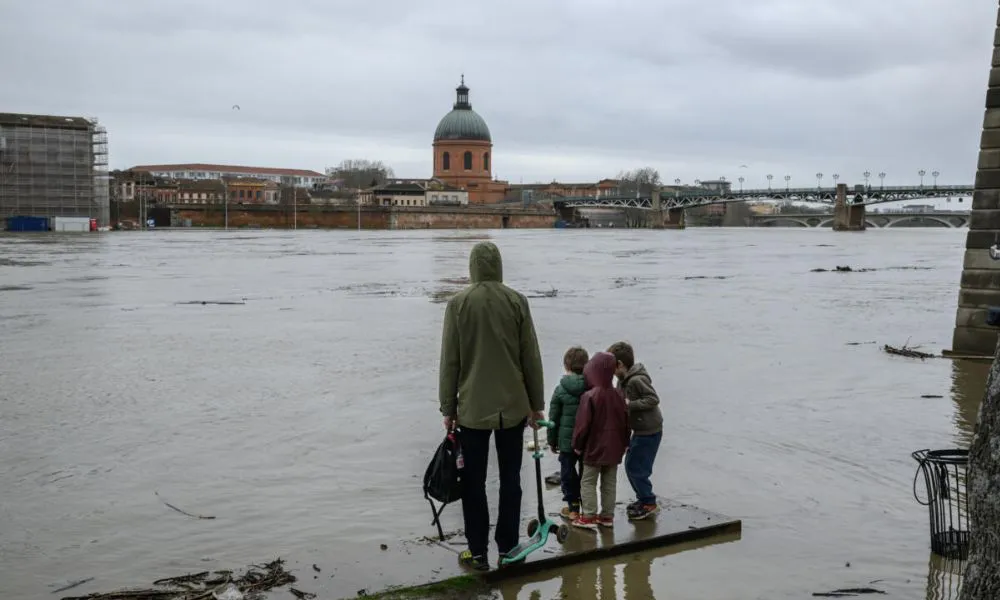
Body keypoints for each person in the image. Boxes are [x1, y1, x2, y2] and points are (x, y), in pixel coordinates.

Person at [439, 241, 545, 571]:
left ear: (472, 267)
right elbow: (531, 357)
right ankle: (509, 546)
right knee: (511, 479)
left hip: (472, 409)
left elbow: (450, 362)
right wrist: (536, 404)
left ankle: (478, 551)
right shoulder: (517, 301)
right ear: (499, 265)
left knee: (474, 482)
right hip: (513, 406)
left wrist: (448, 408)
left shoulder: (458, 304)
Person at [571, 352, 630, 530]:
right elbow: (627, 423)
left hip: (593, 448)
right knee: (609, 482)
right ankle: (607, 516)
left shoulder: (589, 396)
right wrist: (625, 443)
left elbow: (582, 426)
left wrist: (577, 445)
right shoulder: (619, 394)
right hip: (614, 447)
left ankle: (588, 515)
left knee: (588, 481)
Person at [607, 341, 663, 521]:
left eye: (612, 367)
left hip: (650, 431)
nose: (611, 372)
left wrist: (630, 405)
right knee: (631, 465)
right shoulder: (621, 382)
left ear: (620, 365)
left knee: (637, 468)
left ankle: (649, 502)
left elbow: (653, 399)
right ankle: (643, 498)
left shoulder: (637, 379)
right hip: (638, 430)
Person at [547, 346, 590, 521]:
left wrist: (552, 441)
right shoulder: (591, 387)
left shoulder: (561, 389)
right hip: (587, 440)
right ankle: (588, 506)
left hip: (567, 442)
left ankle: (573, 508)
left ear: (566, 366)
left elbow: (553, 418)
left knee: (567, 472)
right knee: (587, 472)